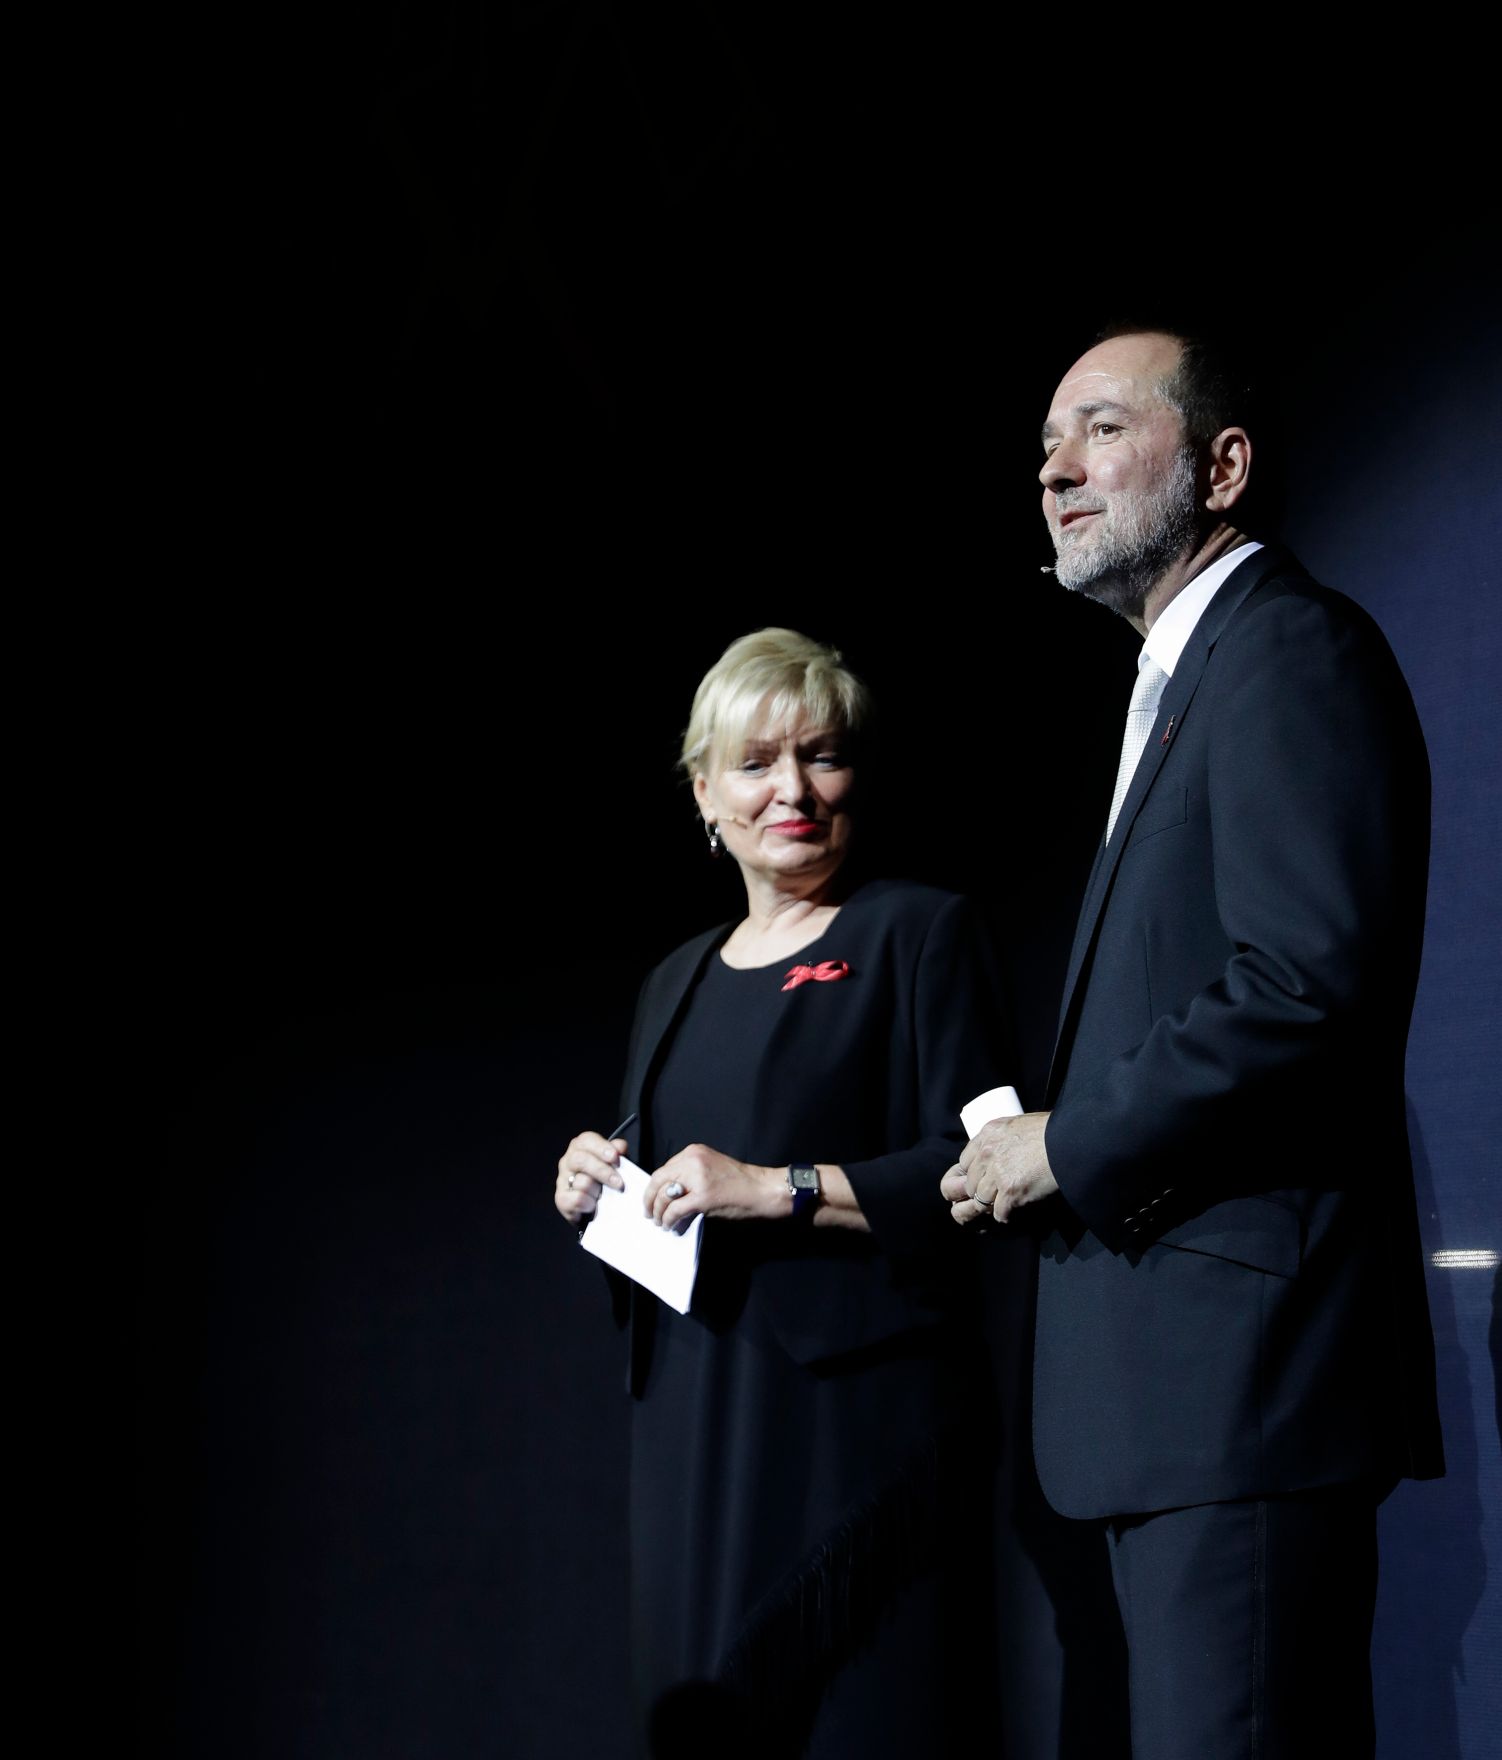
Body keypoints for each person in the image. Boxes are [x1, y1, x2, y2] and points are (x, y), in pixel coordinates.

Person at [943, 326, 1444, 1758]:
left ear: (1220, 466)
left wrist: (1067, 1142)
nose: (1055, 470)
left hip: (1242, 1392)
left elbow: (1301, 987)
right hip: (1169, 1408)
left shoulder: (1285, 648)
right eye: (1046, 444)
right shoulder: (1184, 677)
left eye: (1101, 429)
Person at [555, 628, 1007, 1759]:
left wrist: (777, 1187)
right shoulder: (674, 979)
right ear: (704, 794)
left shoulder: (916, 931)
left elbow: (986, 1169)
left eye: (822, 756)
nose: (792, 791)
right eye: (755, 763)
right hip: (691, 1419)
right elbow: (665, 1182)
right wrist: (594, 1183)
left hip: (850, 1433)